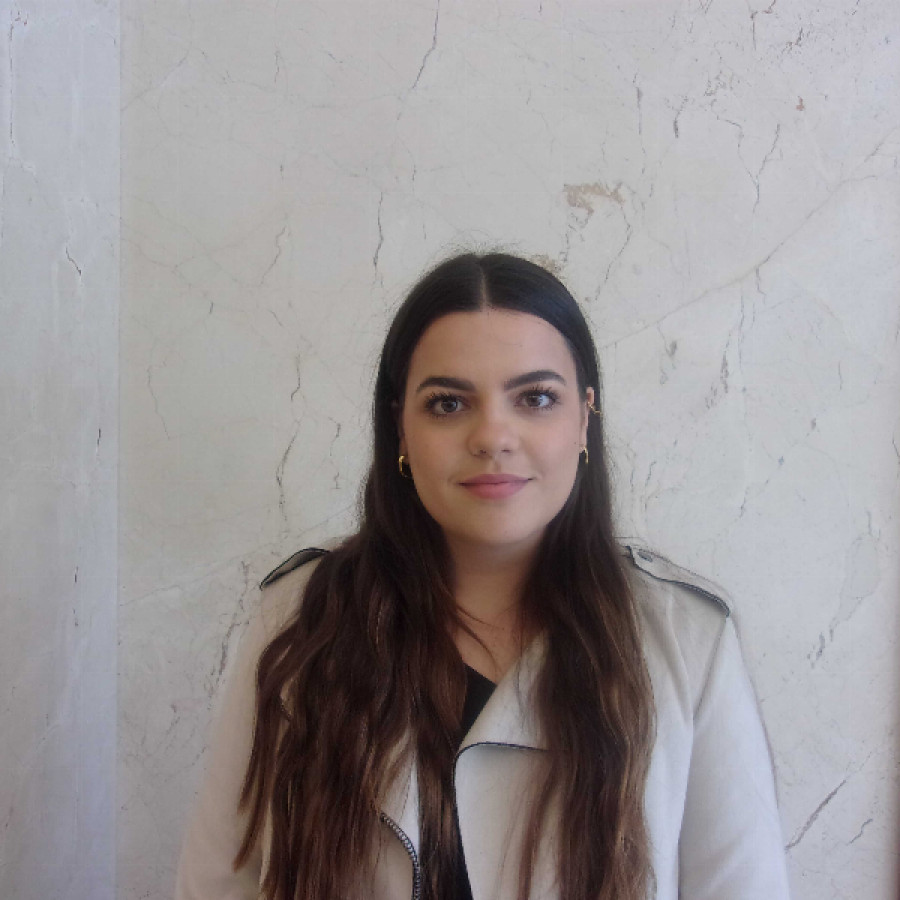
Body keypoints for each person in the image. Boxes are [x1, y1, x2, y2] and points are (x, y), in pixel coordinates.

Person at [175, 253, 791, 900]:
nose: (493, 435)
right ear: (400, 428)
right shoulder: (302, 619)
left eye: (536, 398)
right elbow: (218, 881)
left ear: (584, 417)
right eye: (448, 403)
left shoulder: (687, 643)